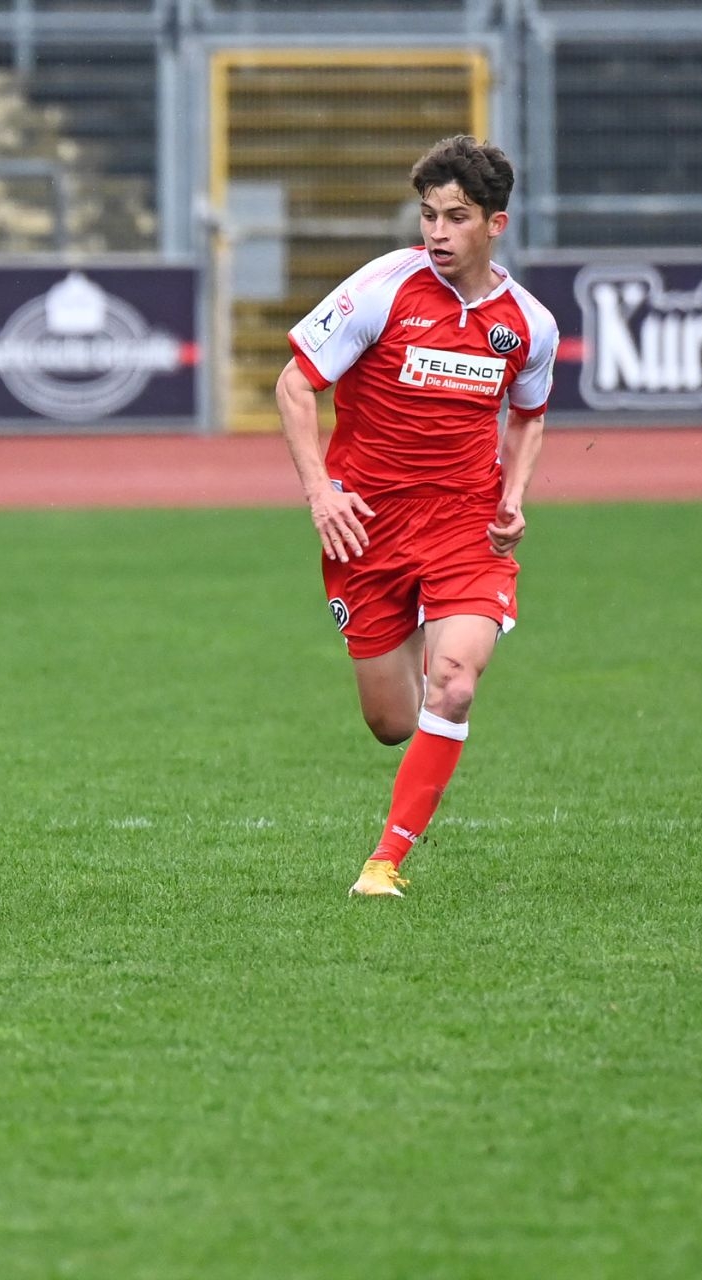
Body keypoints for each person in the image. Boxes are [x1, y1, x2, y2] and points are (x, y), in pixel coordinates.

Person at [276, 135, 557, 898]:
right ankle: (411, 641)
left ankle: (384, 862)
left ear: (494, 225)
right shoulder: (381, 289)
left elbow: (528, 417)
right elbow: (295, 385)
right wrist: (321, 492)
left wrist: (513, 497)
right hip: (366, 526)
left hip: (467, 526)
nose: (437, 232)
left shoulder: (529, 324)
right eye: (428, 215)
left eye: (456, 218)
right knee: (392, 723)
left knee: (454, 684)